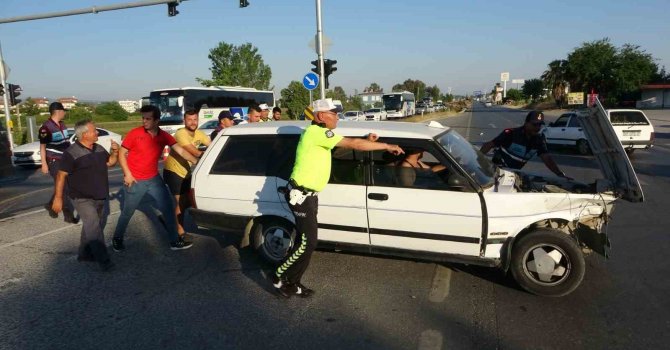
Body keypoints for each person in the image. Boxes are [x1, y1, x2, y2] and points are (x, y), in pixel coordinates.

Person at [271, 98, 404, 298]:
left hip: (309, 196)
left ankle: (293, 282)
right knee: (309, 242)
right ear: (321, 116)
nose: (338, 118)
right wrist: (386, 146)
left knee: (305, 240)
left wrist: (368, 139)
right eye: (334, 114)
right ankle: (280, 275)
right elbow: (353, 144)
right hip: (301, 196)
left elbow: (342, 146)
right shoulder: (316, 133)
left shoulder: (321, 135)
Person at [112, 105, 199, 252]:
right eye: (143, 118)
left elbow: (181, 151)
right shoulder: (135, 133)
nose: (144, 121)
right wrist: (127, 174)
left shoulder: (163, 136)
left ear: (157, 120)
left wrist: (197, 163)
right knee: (128, 212)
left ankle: (174, 240)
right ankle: (117, 238)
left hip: (154, 179)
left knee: (168, 209)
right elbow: (122, 153)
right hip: (135, 180)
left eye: (148, 118)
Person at [52, 119, 118, 271]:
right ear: (84, 134)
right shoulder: (71, 153)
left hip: (100, 194)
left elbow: (110, 163)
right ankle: (104, 260)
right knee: (93, 226)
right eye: (94, 131)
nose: (97, 133)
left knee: (92, 224)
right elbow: (61, 176)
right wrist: (58, 198)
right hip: (81, 197)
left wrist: (115, 151)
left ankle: (84, 253)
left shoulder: (99, 148)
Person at [163, 109, 211, 240]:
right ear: (184, 121)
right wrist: (212, 156)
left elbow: (211, 145)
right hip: (173, 171)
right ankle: (179, 232)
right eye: (189, 119)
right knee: (180, 203)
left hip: (186, 172)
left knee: (187, 201)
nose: (193, 122)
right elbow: (194, 152)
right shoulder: (180, 134)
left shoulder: (199, 133)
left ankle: (169, 219)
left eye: (195, 119)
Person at [480, 110, 568, 178]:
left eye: (539, 125)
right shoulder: (510, 134)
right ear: (526, 123)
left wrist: (559, 174)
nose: (537, 128)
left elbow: (547, 158)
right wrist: (478, 161)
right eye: (534, 125)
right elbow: (489, 145)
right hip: (497, 171)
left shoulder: (539, 140)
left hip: (513, 173)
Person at [40, 102, 78, 223]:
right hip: (53, 160)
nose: (65, 113)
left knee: (63, 185)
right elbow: (42, 146)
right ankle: (68, 215)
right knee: (64, 186)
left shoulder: (62, 125)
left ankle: (51, 204)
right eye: (63, 111)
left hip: (65, 159)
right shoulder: (46, 128)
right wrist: (44, 164)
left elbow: (66, 143)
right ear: (58, 112)